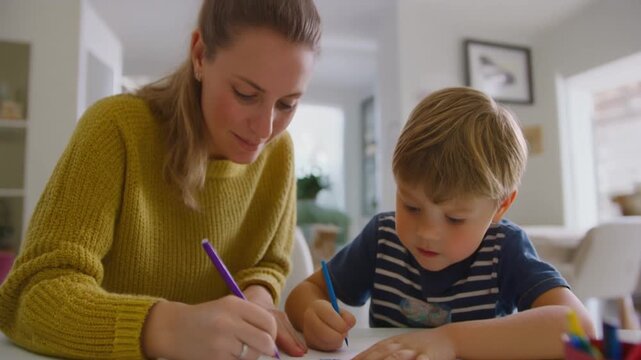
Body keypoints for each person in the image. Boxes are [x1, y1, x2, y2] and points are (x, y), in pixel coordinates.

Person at [0, 0, 320, 359]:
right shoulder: (115, 130)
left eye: (288, 104)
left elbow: (267, 264)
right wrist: (167, 327)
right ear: (200, 55)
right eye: (246, 94)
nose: (265, 129)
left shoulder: (279, 153)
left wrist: (258, 298)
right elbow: (31, 296)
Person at [285, 87, 595, 359]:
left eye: (455, 218)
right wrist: (313, 313)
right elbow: (306, 292)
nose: (427, 233)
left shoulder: (504, 248)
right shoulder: (383, 238)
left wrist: (450, 340)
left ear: (501, 206)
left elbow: (579, 328)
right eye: (411, 206)